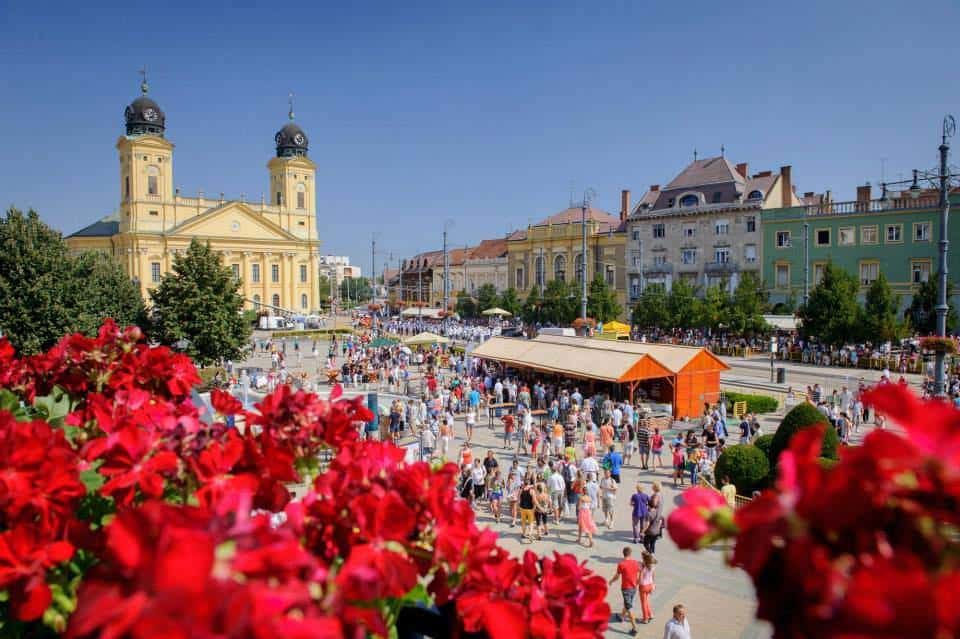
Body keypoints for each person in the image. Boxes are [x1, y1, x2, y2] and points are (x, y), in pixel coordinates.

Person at [609, 547, 640, 636]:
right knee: (627, 604)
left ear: (623, 554)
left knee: (629, 608)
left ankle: (635, 628)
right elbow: (639, 572)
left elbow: (617, 576)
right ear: (630, 554)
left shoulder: (621, 564)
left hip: (626, 589)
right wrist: (637, 582)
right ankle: (622, 616)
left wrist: (611, 581)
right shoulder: (635, 562)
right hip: (634, 588)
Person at [643, 481, 664, 554]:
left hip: (654, 517)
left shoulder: (656, 496)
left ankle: (650, 554)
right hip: (658, 516)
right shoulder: (661, 495)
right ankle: (652, 552)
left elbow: (653, 504)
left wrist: (642, 531)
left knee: (646, 541)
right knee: (653, 541)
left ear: (654, 487)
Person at [638, 551, 656, 625]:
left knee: (643, 603)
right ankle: (650, 614)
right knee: (646, 601)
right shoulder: (653, 566)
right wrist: (653, 584)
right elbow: (653, 576)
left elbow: (640, 578)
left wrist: (636, 584)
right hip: (650, 585)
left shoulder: (643, 567)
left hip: (643, 586)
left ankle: (645, 619)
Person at [518, 476, 537, 540]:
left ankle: (523, 534)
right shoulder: (532, 491)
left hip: (522, 508)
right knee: (531, 522)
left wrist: (518, 507)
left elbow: (519, 500)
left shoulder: (521, 490)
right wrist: (534, 508)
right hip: (530, 509)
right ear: (529, 483)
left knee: (523, 522)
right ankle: (530, 534)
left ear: (524, 483)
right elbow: (534, 501)